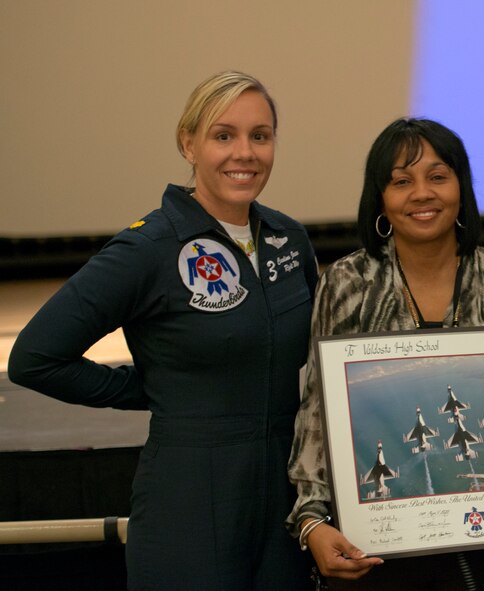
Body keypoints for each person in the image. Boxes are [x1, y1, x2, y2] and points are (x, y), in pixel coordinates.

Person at [8, 71, 318, 590]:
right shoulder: (147, 249)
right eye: (224, 135)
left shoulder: (289, 239)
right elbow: (34, 359)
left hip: (284, 506)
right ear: (188, 144)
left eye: (260, 136)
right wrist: (148, 388)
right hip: (189, 505)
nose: (245, 152)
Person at [286, 117, 484, 591]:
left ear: (461, 188)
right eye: (401, 181)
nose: (422, 194)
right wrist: (311, 519)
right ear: (380, 199)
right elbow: (316, 412)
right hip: (380, 547)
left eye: (437, 176)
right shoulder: (347, 284)